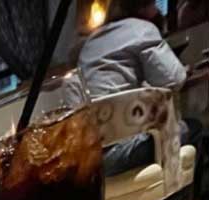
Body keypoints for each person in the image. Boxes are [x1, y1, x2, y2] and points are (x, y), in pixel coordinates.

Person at [78, 0, 196, 176]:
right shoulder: (141, 29)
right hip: (126, 152)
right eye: (154, 3)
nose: (157, 9)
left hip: (92, 160)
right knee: (195, 127)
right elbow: (174, 79)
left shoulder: (90, 42)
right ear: (143, 7)